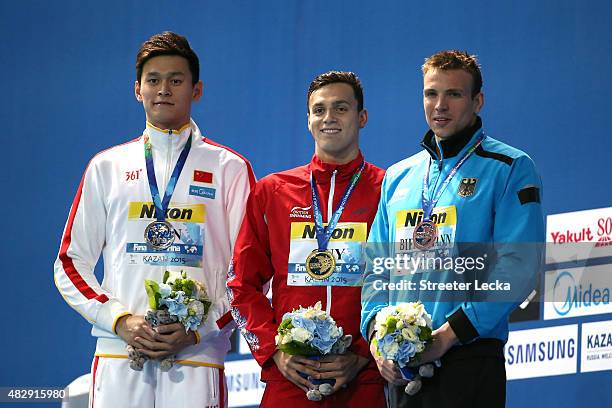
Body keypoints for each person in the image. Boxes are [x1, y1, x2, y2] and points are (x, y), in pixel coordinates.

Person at [54, 31, 254, 408]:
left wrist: (198, 330)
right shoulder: (107, 167)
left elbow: (248, 272)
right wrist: (118, 320)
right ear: (137, 90)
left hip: (197, 356)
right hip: (120, 355)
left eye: (176, 80)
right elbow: (69, 263)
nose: (164, 89)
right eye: (153, 80)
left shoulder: (229, 168)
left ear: (196, 90)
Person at [360, 50, 544, 408]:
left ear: (478, 101)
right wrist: (377, 338)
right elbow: (375, 267)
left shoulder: (509, 166)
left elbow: (519, 266)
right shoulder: (400, 176)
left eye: (454, 94)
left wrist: (448, 335)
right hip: (402, 368)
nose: (440, 105)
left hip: (468, 360)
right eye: (431, 93)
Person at [227, 71, 387, 407]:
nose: (329, 118)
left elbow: (404, 282)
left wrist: (362, 356)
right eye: (319, 110)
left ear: (362, 117)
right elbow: (240, 284)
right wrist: (274, 352)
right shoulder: (272, 191)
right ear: (309, 121)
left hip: (363, 379)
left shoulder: (389, 190)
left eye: (341, 108)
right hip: (290, 380)